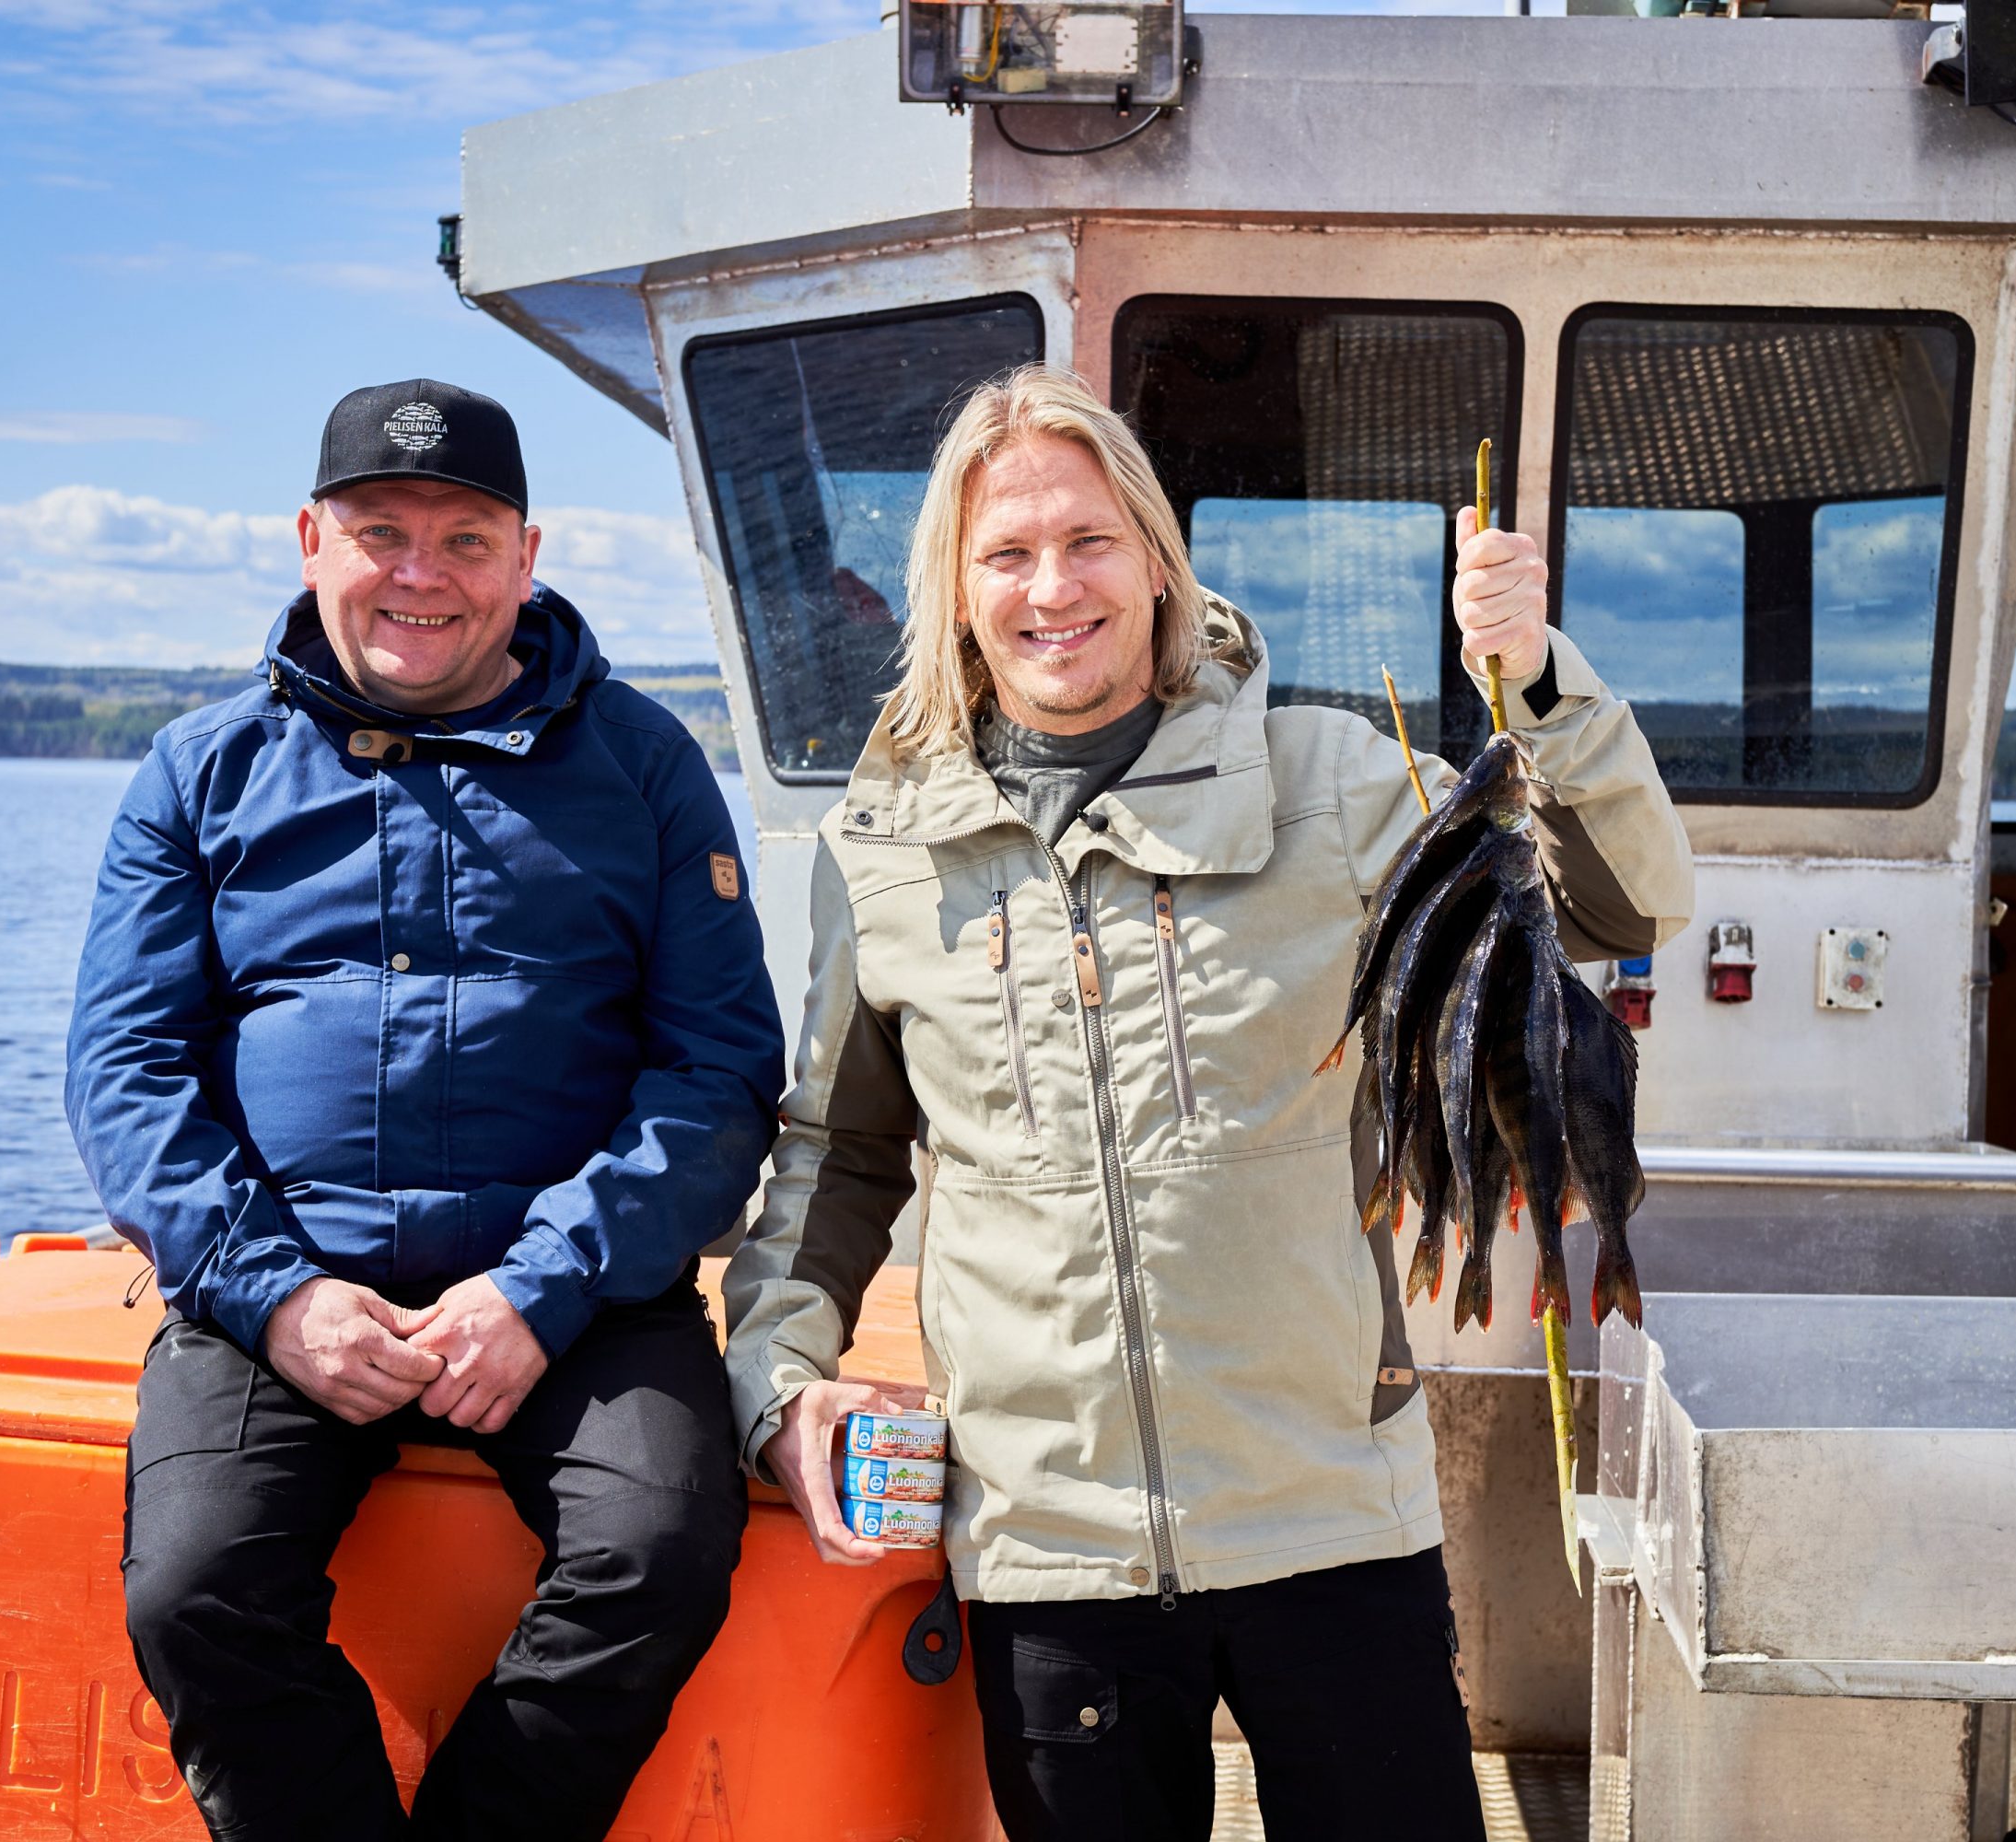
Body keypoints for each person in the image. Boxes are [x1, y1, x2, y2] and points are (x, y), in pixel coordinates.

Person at [720, 363, 1693, 1840]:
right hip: (1049, 1555)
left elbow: (1620, 907)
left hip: (1333, 1520)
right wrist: (778, 1390)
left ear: (1159, 565)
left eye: (1091, 540)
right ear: (959, 592)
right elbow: (838, 1155)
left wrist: (1541, 682)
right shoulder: (883, 850)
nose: (1056, 586)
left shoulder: (1339, 785)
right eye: (1010, 553)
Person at [66, 379, 784, 1841]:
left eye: (465, 540)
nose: (420, 574)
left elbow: (717, 1074)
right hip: (274, 1280)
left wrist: (543, 1284)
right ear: (309, 540)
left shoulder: (646, 768)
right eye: (381, 532)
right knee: (194, 1590)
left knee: (656, 1550)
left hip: (576, 1291)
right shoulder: (197, 776)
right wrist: (272, 1299)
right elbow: (125, 1072)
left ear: (528, 555)